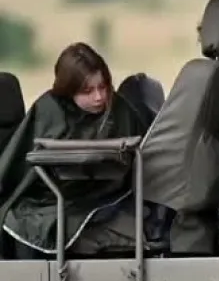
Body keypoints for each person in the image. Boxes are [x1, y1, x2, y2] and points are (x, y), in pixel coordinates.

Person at [0, 42, 146, 256]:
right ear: (68, 90)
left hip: (106, 198)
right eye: (88, 91)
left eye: (103, 87)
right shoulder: (49, 110)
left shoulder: (119, 108)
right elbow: (20, 170)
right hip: (47, 200)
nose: (99, 97)